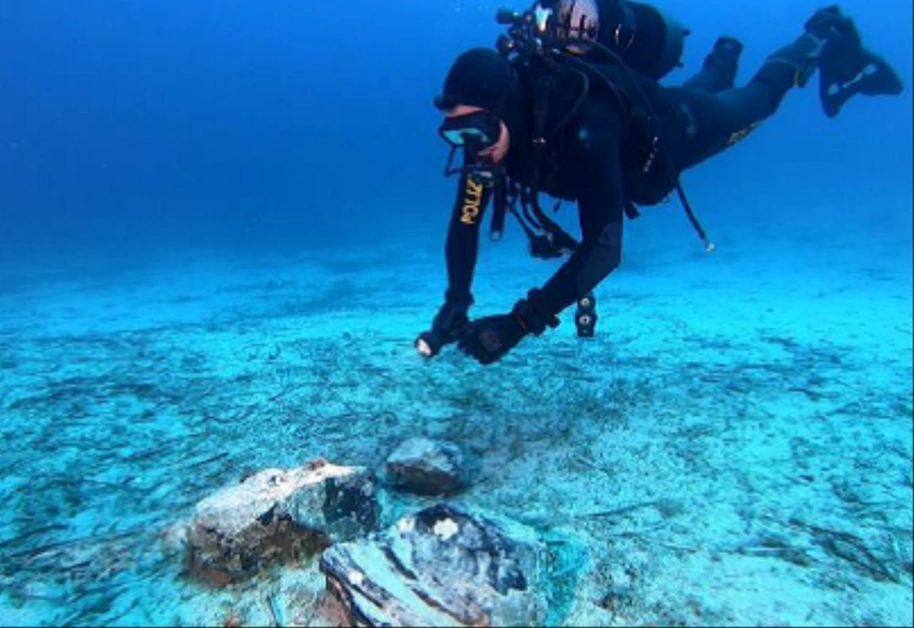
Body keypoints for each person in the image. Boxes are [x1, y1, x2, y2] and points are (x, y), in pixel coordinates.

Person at [415, 0, 903, 365]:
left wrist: (522, 321)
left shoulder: (587, 121)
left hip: (676, 133)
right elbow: (465, 222)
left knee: (755, 102)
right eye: (454, 132)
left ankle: (821, 34)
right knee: (697, 93)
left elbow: (604, 248)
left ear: (505, 109)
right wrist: (457, 300)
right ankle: (722, 58)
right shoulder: (490, 145)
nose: (469, 146)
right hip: (650, 110)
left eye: (474, 130)